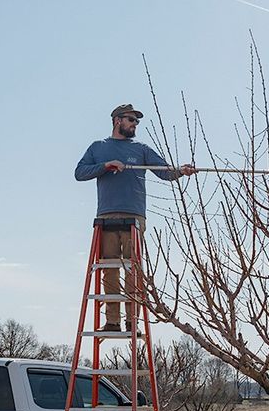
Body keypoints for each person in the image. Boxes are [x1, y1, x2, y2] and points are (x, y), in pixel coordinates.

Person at [74, 104, 195, 331]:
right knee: (109, 269)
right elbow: (80, 173)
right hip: (106, 215)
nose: (135, 124)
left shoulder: (141, 149)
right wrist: (106, 166)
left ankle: (132, 321)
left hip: (134, 216)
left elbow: (164, 171)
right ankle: (112, 321)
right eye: (131, 120)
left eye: (137, 121)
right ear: (117, 120)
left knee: (133, 269)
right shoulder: (98, 147)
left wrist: (181, 170)